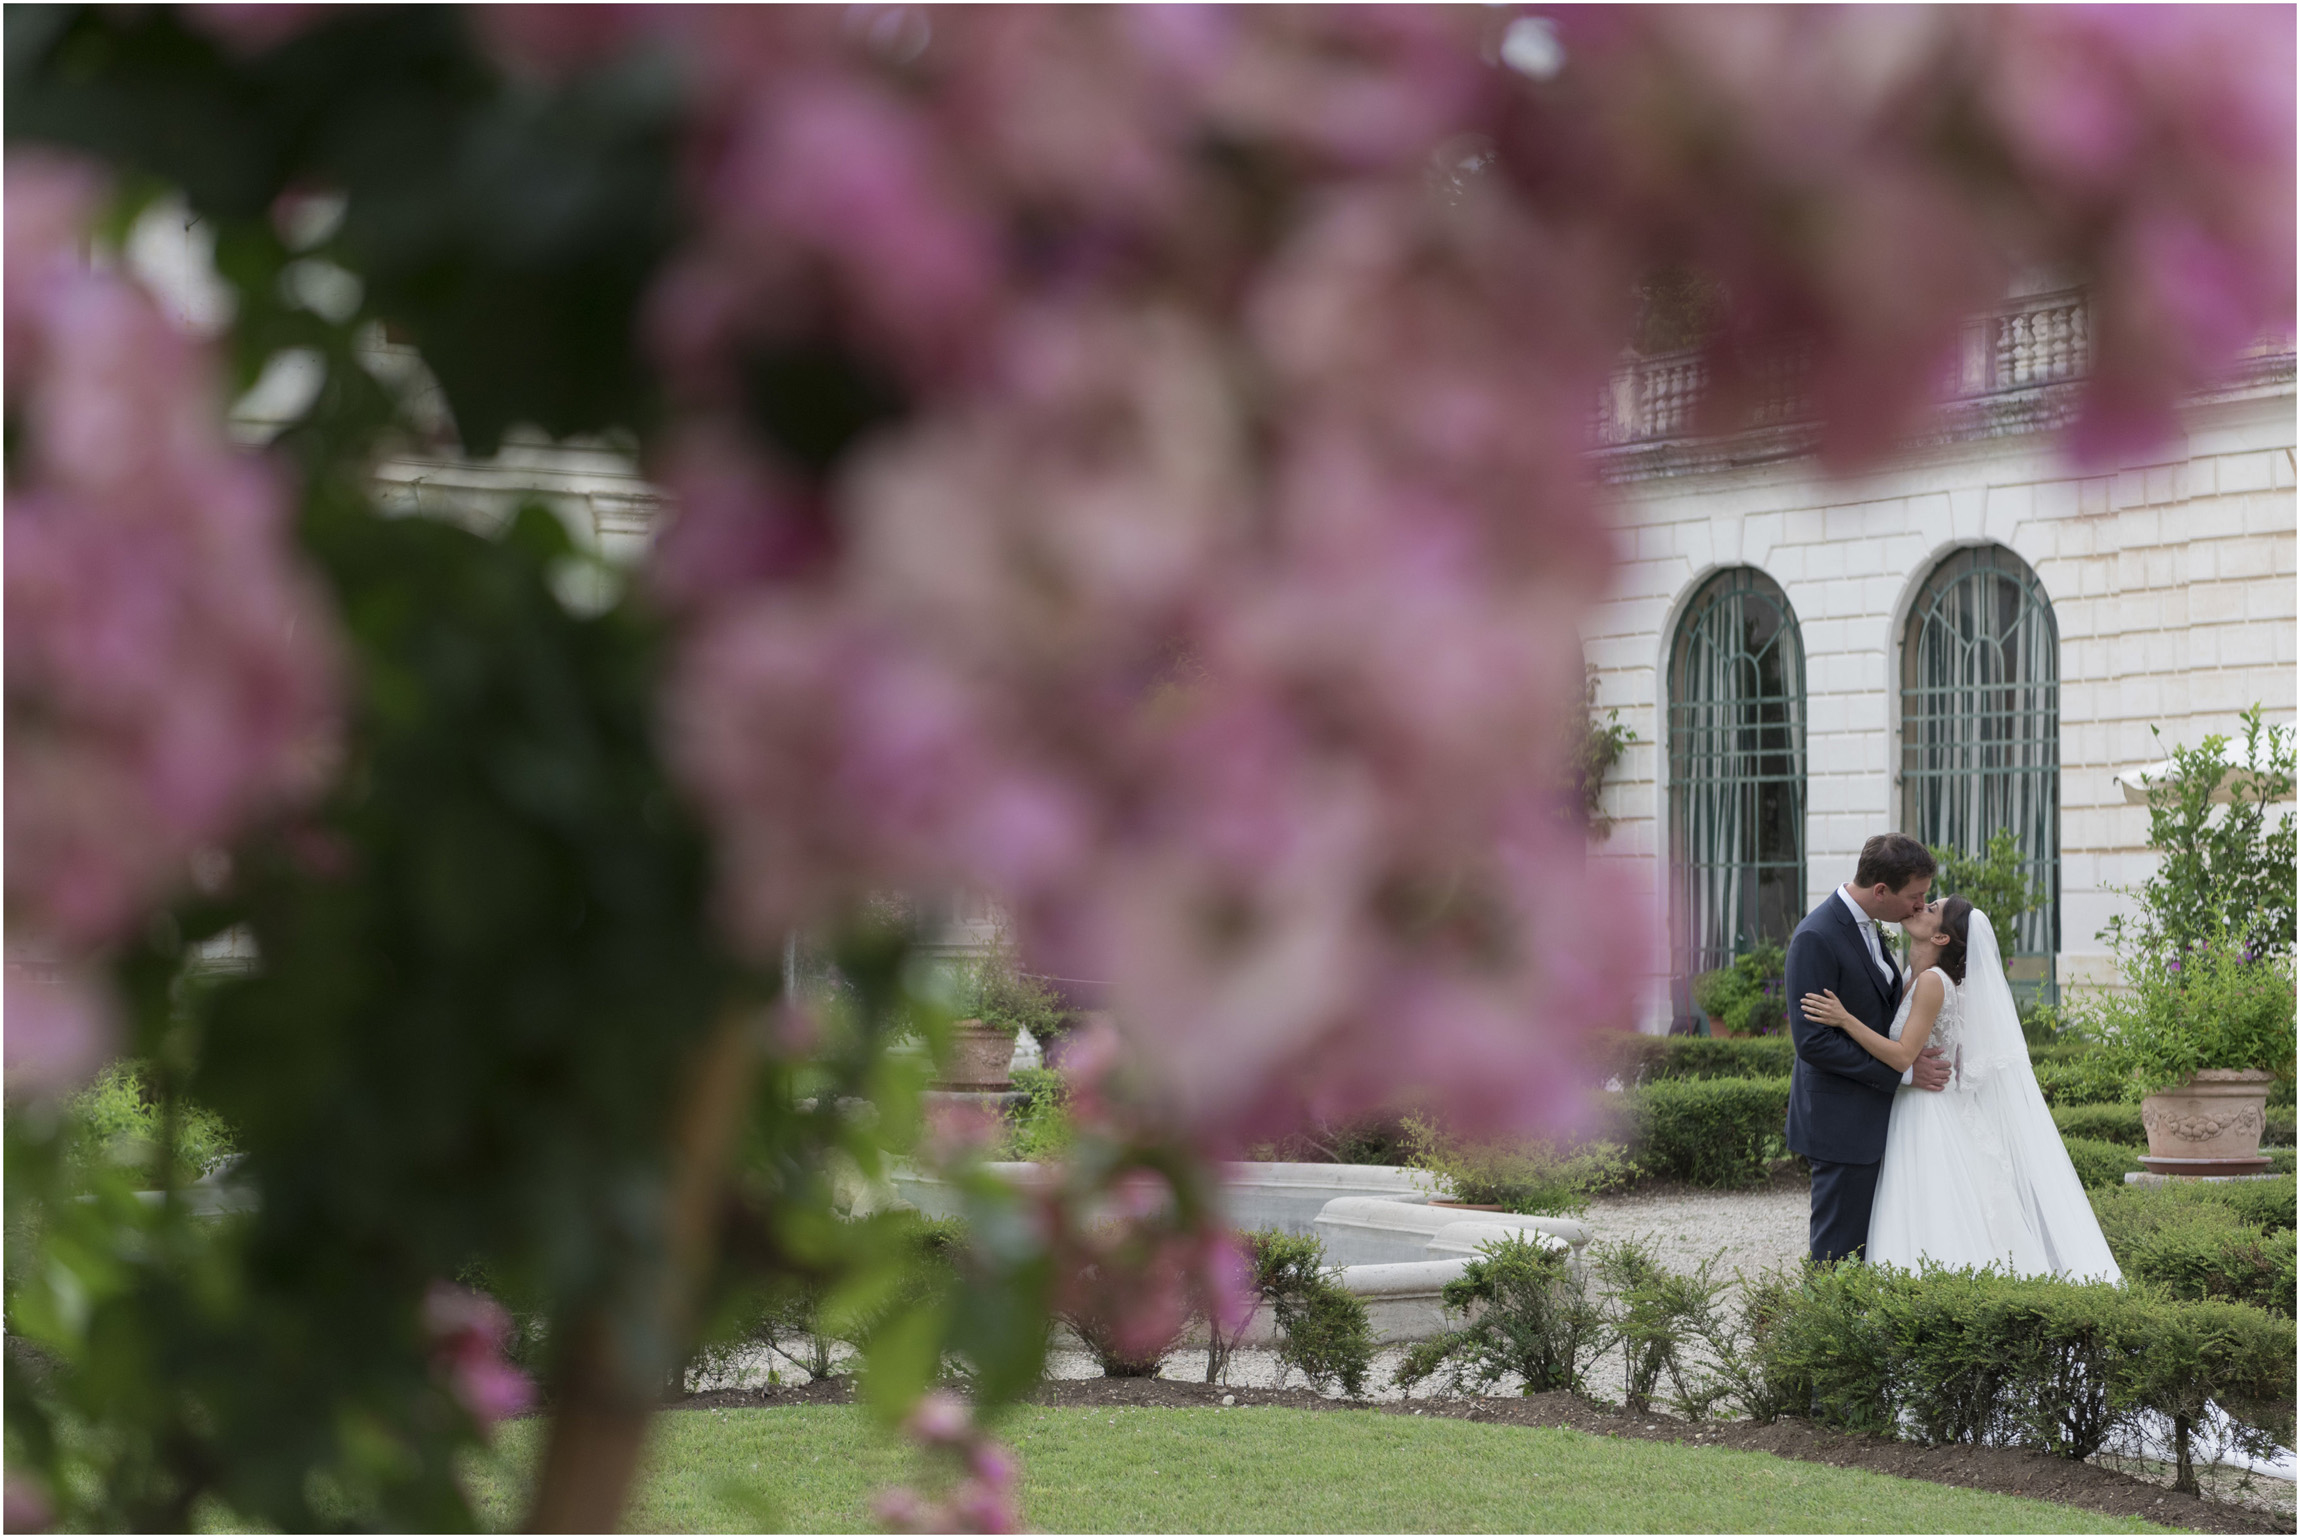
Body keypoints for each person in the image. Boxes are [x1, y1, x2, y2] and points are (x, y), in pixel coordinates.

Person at [1800, 897, 2122, 1282]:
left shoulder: (1934, 983)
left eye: (1931, 908)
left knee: (1928, 1209)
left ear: (1940, 936)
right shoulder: (1908, 974)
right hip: (1906, 1106)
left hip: (1926, 1112)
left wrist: (1845, 1020)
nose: (1920, 907)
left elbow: (1903, 1056)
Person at [1782, 834, 1953, 1265]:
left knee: (1871, 1249)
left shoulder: (1872, 927)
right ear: (1881, 891)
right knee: (1836, 1255)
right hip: (1840, 1123)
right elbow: (1813, 1042)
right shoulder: (1816, 937)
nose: (1919, 906)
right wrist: (1905, 1073)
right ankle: (1822, 1332)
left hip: (1874, 1120)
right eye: (1915, 897)